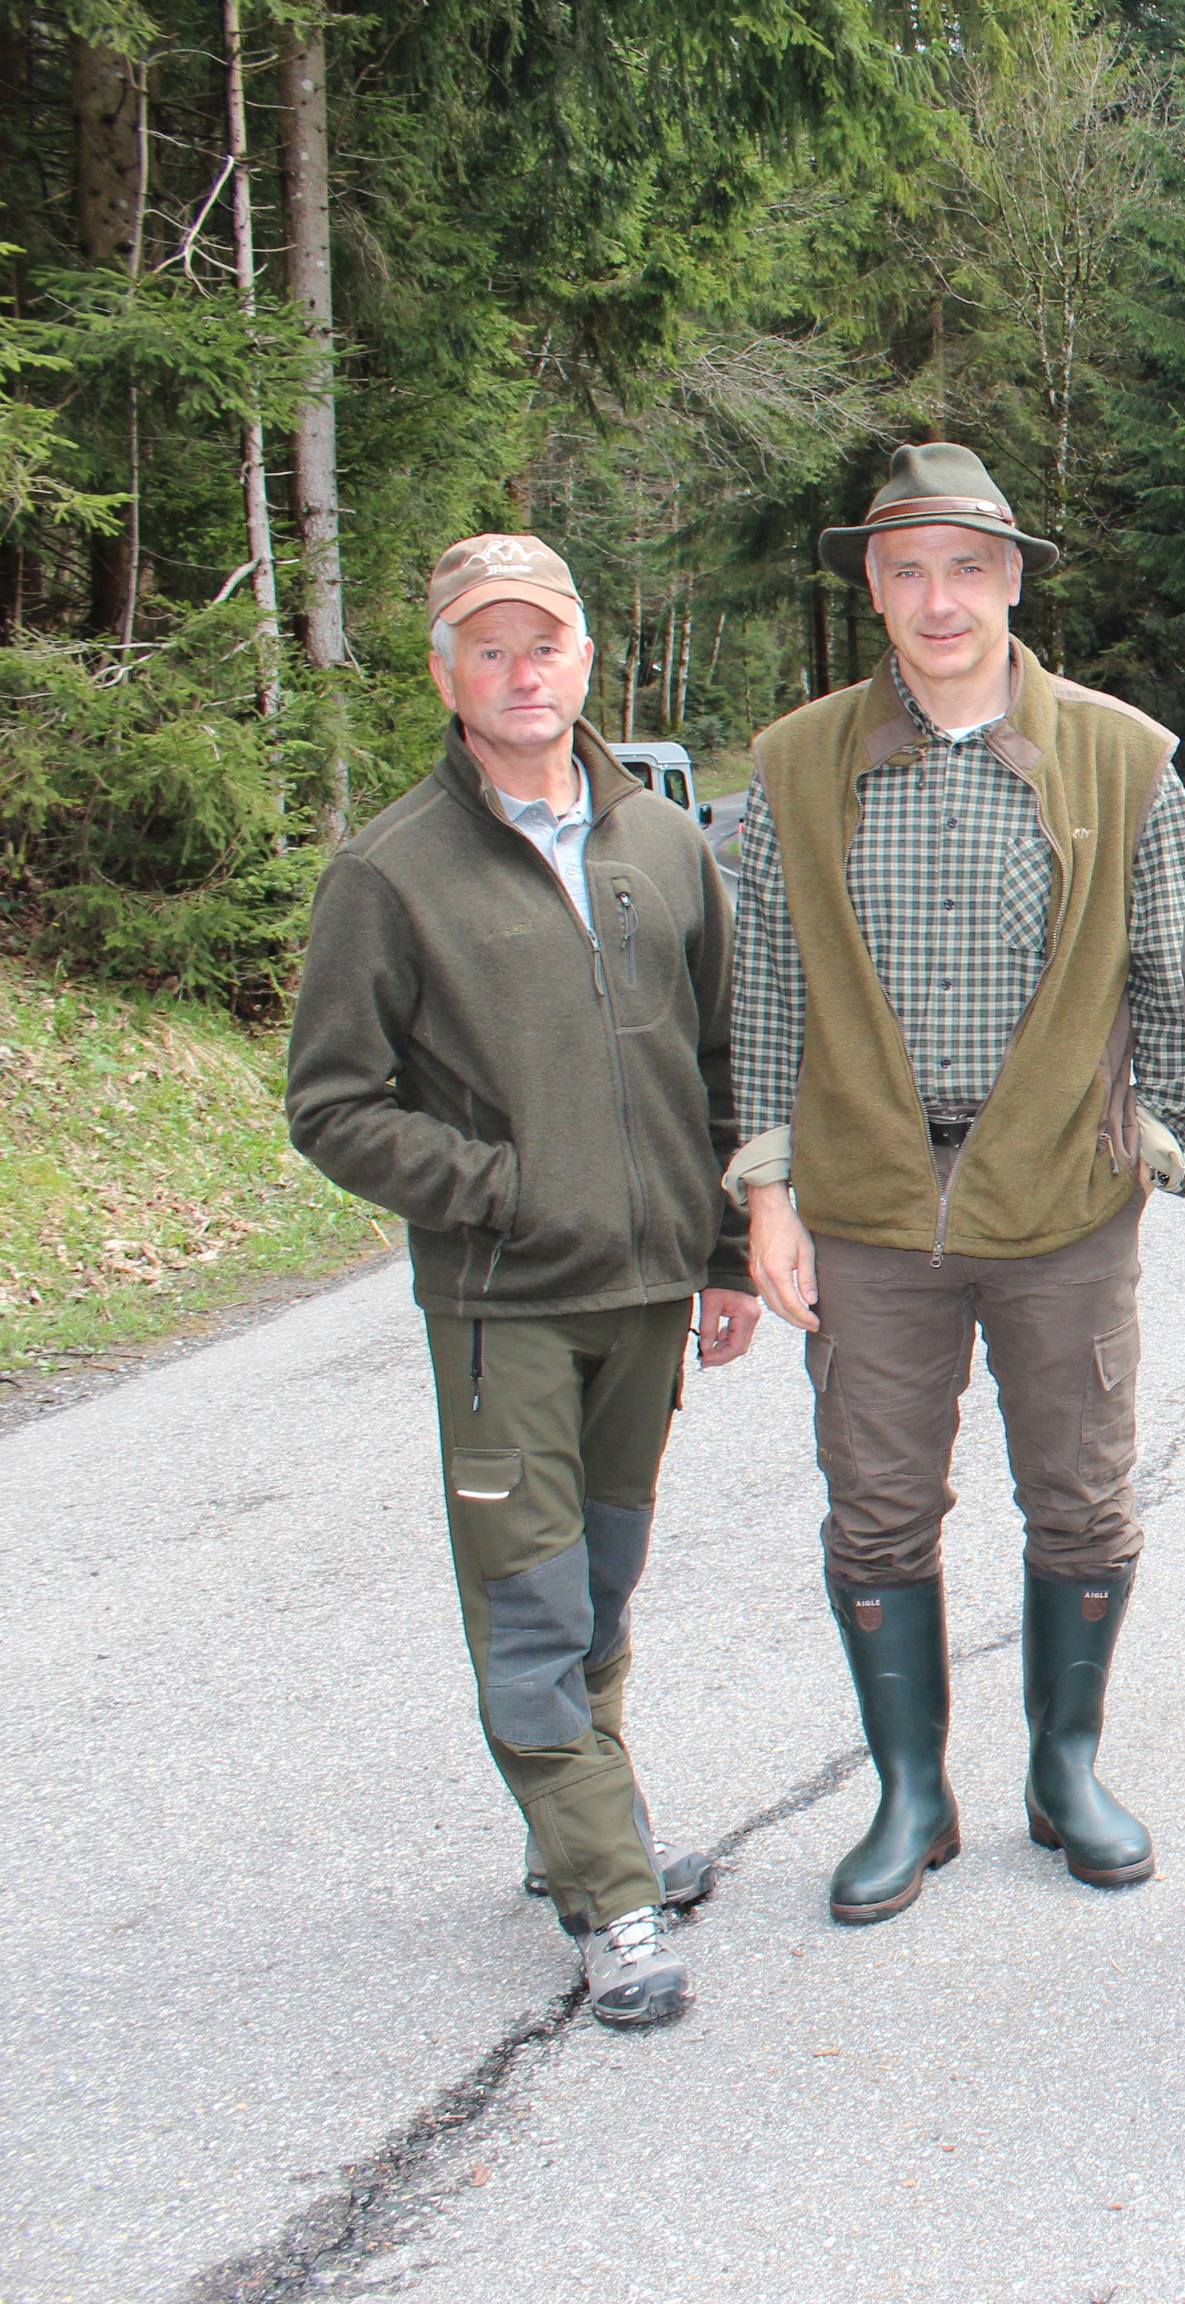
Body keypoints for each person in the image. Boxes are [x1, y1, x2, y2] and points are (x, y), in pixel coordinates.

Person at [287, 533, 758, 2028]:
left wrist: (728, 1255)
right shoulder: (392, 871)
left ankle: (580, 1832)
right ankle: (612, 1897)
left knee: (602, 1584)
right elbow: (333, 1105)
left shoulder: (663, 844)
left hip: (649, 1296)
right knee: (533, 1605)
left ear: (584, 658)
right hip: (507, 1310)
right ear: (447, 675)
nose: (520, 672)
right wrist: (497, 1188)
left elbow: (718, 1061)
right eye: (486, 649)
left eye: (542, 643)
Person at [731, 441, 1185, 1925]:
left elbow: (1179, 973)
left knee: (1081, 1497)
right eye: (907, 571)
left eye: (967, 569)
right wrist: (767, 1190)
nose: (940, 601)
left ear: (1012, 583)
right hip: (867, 1207)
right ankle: (909, 1795)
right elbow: (764, 987)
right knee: (876, 1509)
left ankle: (1066, 1770)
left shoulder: (1125, 758)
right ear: (872, 589)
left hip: (1063, 1204)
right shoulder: (795, 764)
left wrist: (1166, 1135)